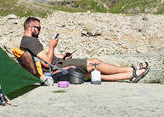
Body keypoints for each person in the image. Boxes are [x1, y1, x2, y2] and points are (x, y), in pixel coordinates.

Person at [19, 16, 150, 82]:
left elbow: (41, 59)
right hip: (57, 66)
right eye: (39, 28)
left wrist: (61, 55)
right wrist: (52, 46)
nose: (40, 30)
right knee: (94, 63)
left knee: (92, 72)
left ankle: (129, 75)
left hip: (58, 62)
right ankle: (130, 70)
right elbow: (47, 62)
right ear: (31, 28)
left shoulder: (26, 42)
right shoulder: (30, 41)